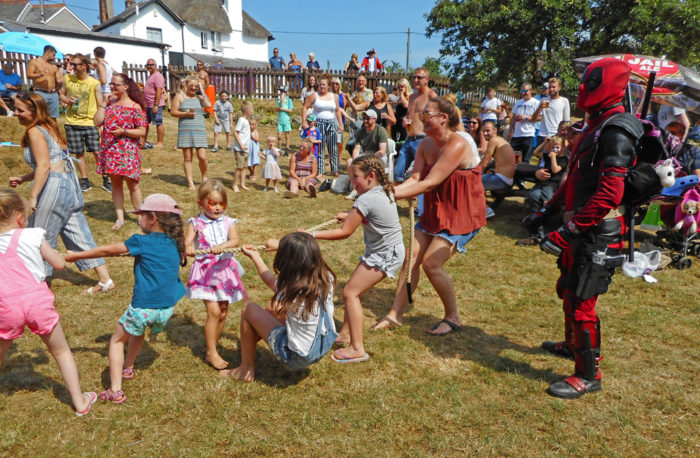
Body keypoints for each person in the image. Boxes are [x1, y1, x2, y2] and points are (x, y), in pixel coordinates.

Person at [538, 58, 642, 399]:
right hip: (581, 227)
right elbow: (576, 177)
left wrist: (570, 230)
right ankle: (572, 347)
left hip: (599, 230)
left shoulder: (616, 128)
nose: (584, 86)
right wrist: (550, 210)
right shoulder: (596, 124)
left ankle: (588, 375)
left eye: (591, 80)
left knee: (583, 302)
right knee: (567, 290)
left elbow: (611, 192)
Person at [373, 97, 486, 335]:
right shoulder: (425, 144)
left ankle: (453, 317)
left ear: (443, 118)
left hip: (460, 213)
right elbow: (415, 179)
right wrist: (386, 193)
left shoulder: (458, 144)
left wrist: (388, 196)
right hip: (436, 210)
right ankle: (396, 314)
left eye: (426, 115)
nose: (420, 118)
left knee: (432, 263)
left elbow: (429, 183)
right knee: (410, 258)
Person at [65, 193, 186, 404]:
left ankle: (115, 390)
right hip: (166, 309)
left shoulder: (141, 241)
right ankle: (128, 367)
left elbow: (106, 250)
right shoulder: (176, 242)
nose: (138, 219)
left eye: (140, 215)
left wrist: (76, 256)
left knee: (116, 341)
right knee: (138, 331)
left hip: (143, 308)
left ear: (152, 218)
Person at [0, 189, 97, 416]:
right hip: (37, 302)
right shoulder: (32, 235)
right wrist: (63, 255)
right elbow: (59, 264)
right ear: (19, 217)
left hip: (5, 306)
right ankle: (80, 402)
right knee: (61, 351)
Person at [8, 91, 114, 293]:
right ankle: (105, 279)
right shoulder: (50, 127)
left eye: (20, 110)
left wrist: (33, 196)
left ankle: (41, 285)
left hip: (53, 188)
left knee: (40, 235)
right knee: (79, 233)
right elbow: (52, 162)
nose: (16, 113)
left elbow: (45, 166)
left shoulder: (35, 131)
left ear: (34, 110)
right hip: (68, 185)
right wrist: (23, 179)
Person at [313, 155, 404, 363]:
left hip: (385, 255)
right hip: (388, 251)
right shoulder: (382, 190)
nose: (352, 183)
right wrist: (349, 214)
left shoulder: (366, 198)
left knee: (350, 292)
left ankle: (357, 348)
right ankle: (345, 334)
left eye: (355, 178)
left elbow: (345, 232)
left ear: (371, 176)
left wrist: (312, 235)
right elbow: (372, 214)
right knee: (354, 290)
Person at [220, 232, 337, 382]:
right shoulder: (326, 277)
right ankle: (248, 343)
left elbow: (269, 280)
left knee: (250, 309)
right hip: (322, 345)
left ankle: (245, 369)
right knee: (272, 307)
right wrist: (281, 248)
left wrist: (255, 256)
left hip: (297, 357)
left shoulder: (293, 290)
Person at [185, 181, 246, 370]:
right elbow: (187, 243)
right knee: (213, 311)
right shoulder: (195, 224)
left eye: (222, 204)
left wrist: (224, 246)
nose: (218, 207)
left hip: (225, 272)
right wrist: (188, 248)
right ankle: (211, 352)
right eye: (213, 203)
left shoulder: (229, 222)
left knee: (223, 311)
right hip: (205, 273)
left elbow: (235, 240)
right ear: (201, 204)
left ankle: (212, 345)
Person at [93, 73, 148, 231]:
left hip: (128, 150)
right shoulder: (110, 104)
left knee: (133, 185)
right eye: (111, 84)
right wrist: (103, 102)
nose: (112, 87)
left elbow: (142, 131)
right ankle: (120, 218)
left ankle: (140, 217)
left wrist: (124, 131)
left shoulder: (134, 107)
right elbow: (97, 121)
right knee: (116, 185)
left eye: (116, 84)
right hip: (110, 149)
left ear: (125, 87)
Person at [58, 53, 110, 193]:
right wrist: (66, 100)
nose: (71, 67)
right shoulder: (67, 78)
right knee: (79, 153)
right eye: (71, 64)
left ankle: (106, 179)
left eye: (74, 64)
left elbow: (100, 104)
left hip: (90, 123)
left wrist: (102, 124)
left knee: (97, 152)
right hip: (72, 122)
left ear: (84, 66)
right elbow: (61, 93)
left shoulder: (94, 83)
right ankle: (85, 180)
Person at [516, 135, 569, 245]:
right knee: (533, 195)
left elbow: (555, 170)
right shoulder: (549, 156)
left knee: (545, 203)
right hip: (544, 183)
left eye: (557, 148)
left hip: (554, 186)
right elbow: (536, 153)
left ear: (563, 148)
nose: (555, 150)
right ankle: (535, 230)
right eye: (553, 147)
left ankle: (541, 231)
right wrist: (545, 143)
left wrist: (553, 157)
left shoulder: (563, 159)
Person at [393, 67, 438, 182]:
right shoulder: (412, 97)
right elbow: (409, 116)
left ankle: (418, 199)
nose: (416, 80)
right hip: (409, 139)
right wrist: (405, 121)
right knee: (397, 174)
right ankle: (398, 198)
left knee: (420, 176)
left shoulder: (431, 95)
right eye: (414, 77)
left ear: (427, 79)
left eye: (419, 77)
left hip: (423, 139)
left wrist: (426, 118)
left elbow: (438, 116)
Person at [171, 75, 211, 190]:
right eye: (191, 86)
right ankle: (190, 182)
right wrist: (186, 114)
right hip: (186, 130)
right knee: (188, 158)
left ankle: (204, 177)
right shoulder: (180, 96)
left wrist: (202, 90)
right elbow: (173, 112)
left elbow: (208, 105)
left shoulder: (199, 98)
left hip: (199, 130)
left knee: (202, 156)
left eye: (196, 86)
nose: (193, 88)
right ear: (186, 85)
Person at [301, 77, 343, 177]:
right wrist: (304, 121)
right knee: (319, 148)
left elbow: (337, 110)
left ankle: (335, 169)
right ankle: (320, 171)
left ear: (328, 86)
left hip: (331, 123)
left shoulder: (334, 96)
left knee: (333, 147)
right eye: (320, 84)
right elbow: (305, 107)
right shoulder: (314, 95)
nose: (322, 86)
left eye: (324, 84)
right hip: (318, 124)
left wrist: (340, 124)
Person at [479, 120, 516, 218]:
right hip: (505, 178)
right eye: (483, 131)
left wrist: (471, 172)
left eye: (487, 131)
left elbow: (485, 161)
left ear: (495, 130)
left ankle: (487, 210)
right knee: (476, 180)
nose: (485, 133)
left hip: (502, 179)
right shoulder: (500, 140)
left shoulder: (494, 140)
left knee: (471, 183)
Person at [531, 77, 571, 147]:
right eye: (550, 87)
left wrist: (565, 137)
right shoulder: (545, 101)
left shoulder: (564, 101)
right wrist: (539, 108)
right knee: (541, 157)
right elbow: (534, 119)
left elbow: (566, 121)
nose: (551, 89)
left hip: (556, 136)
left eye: (554, 87)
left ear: (559, 88)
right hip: (543, 135)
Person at [26, 45, 63, 120]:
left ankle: (52, 131)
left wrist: (65, 73)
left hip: (53, 94)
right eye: (53, 54)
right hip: (40, 92)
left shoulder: (54, 66)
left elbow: (59, 80)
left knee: (53, 118)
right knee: (39, 116)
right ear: (48, 52)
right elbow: (28, 75)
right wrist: (39, 74)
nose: (54, 57)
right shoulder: (35, 62)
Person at [507, 83, 539, 163]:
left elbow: (540, 118)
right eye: (522, 91)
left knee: (525, 160)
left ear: (531, 91)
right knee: (511, 158)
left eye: (525, 91)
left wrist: (526, 118)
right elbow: (513, 117)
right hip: (517, 135)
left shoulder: (536, 103)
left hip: (528, 135)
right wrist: (510, 131)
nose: (523, 93)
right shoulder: (518, 102)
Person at [143, 58, 166, 148]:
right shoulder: (150, 76)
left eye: (151, 65)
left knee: (158, 123)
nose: (149, 67)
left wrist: (156, 105)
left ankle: (160, 142)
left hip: (156, 104)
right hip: (148, 104)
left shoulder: (158, 76)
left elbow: (159, 91)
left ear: (155, 65)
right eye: (147, 65)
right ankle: (143, 140)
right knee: (145, 122)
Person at [232, 101, 254, 192]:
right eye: (252, 109)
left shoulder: (246, 121)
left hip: (246, 148)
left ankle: (242, 184)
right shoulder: (241, 120)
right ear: (248, 111)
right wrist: (241, 145)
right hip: (240, 148)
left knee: (244, 167)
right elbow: (235, 133)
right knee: (239, 167)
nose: (253, 111)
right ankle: (234, 184)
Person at [392, 78, 412, 143]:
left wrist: (401, 94)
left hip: (404, 123)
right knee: (396, 141)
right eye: (399, 87)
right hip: (397, 122)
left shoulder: (410, 96)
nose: (400, 88)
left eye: (402, 86)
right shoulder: (400, 98)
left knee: (403, 141)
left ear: (406, 86)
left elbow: (406, 105)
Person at [276, 85, 294, 154]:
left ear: (286, 92)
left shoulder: (289, 100)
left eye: (283, 91)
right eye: (280, 91)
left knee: (287, 135)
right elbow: (277, 109)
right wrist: (280, 102)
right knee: (279, 136)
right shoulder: (278, 100)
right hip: (280, 120)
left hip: (286, 120)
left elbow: (290, 110)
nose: (281, 93)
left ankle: (287, 149)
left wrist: (282, 109)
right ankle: (279, 149)